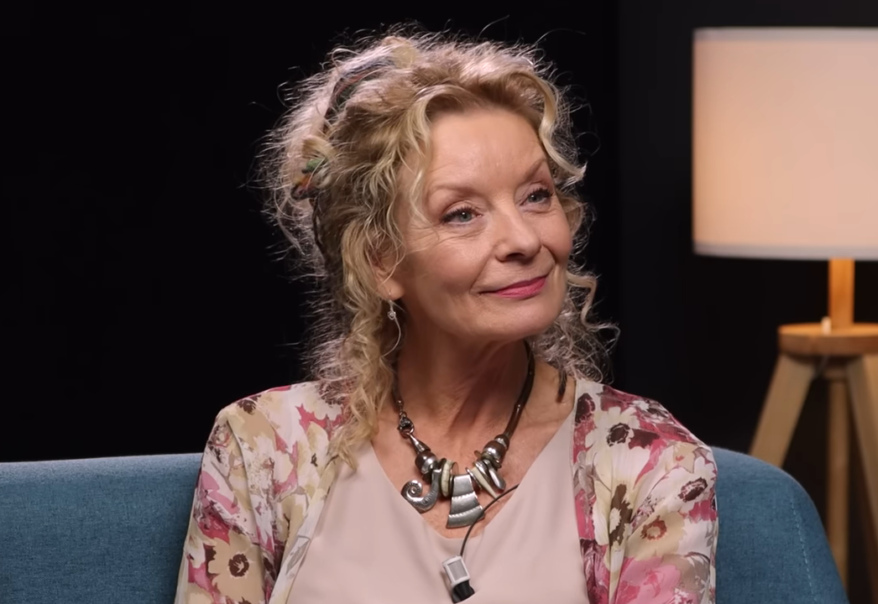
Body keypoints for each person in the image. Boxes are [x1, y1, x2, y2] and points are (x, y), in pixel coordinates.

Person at [174, 29, 718, 604]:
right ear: (380, 261)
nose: (523, 239)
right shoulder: (264, 446)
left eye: (536, 195)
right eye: (462, 214)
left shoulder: (649, 459)